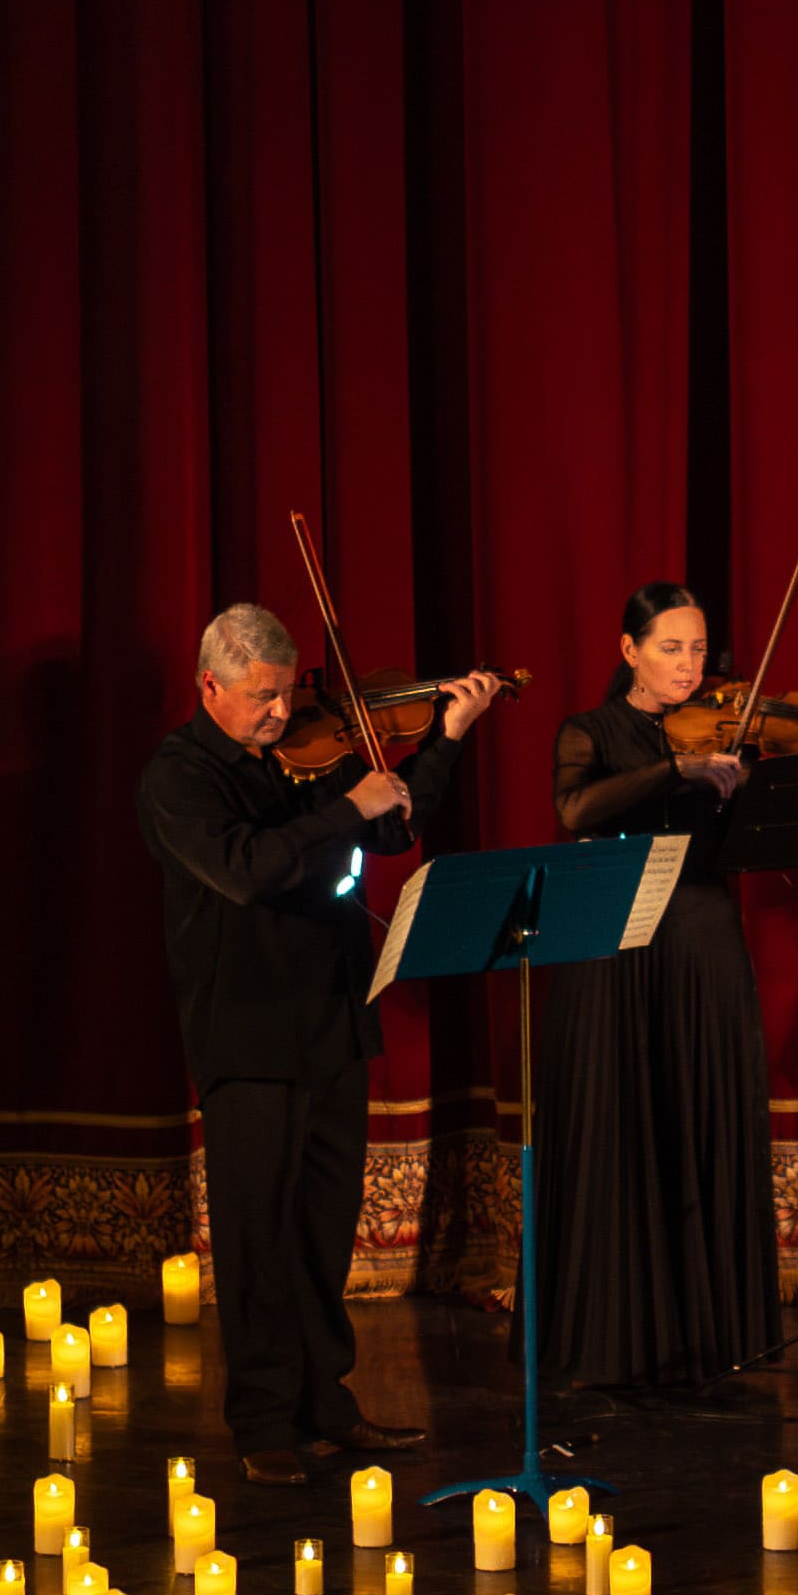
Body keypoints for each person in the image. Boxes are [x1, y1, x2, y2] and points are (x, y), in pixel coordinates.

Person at [135, 601, 495, 1482]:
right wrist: (346, 809)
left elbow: (394, 825)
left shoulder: (312, 758)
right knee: (256, 1234)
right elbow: (246, 869)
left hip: (333, 1018)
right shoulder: (178, 777)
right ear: (209, 685)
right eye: (259, 697)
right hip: (247, 1034)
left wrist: (445, 740)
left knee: (323, 1230)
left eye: (285, 694)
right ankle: (262, 1422)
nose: (278, 712)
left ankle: (326, 1402)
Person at [539, 582, 784, 1395]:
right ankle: (614, 1342)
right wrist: (676, 769)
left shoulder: (729, 727)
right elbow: (575, 809)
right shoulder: (589, 730)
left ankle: (714, 1337)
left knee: (705, 1108)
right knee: (622, 1117)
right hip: (615, 939)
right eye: (670, 648)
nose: (689, 666)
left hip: (703, 932)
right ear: (629, 651)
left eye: (698, 649)